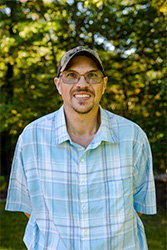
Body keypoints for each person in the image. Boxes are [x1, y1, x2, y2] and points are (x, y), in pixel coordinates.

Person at [5, 46, 156, 250]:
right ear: (58, 84)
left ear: (104, 84)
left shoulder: (133, 137)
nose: (82, 84)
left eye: (92, 76)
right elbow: (30, 208)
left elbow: (138, 205)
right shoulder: (31, 138)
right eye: (71, 76)